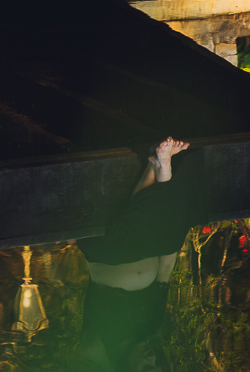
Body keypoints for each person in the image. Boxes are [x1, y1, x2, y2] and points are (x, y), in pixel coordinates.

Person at [76, 138, 204, 372]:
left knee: (132, 234)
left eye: (146, 368)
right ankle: (158, 166)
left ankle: (157, 166)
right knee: (171, 229)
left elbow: (90, 346)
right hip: (144, 240)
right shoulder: (152, 327)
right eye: (157, 363)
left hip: (106, 251)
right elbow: (164, 275)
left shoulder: (101, 345)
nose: (151, 358)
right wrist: (173, 235)